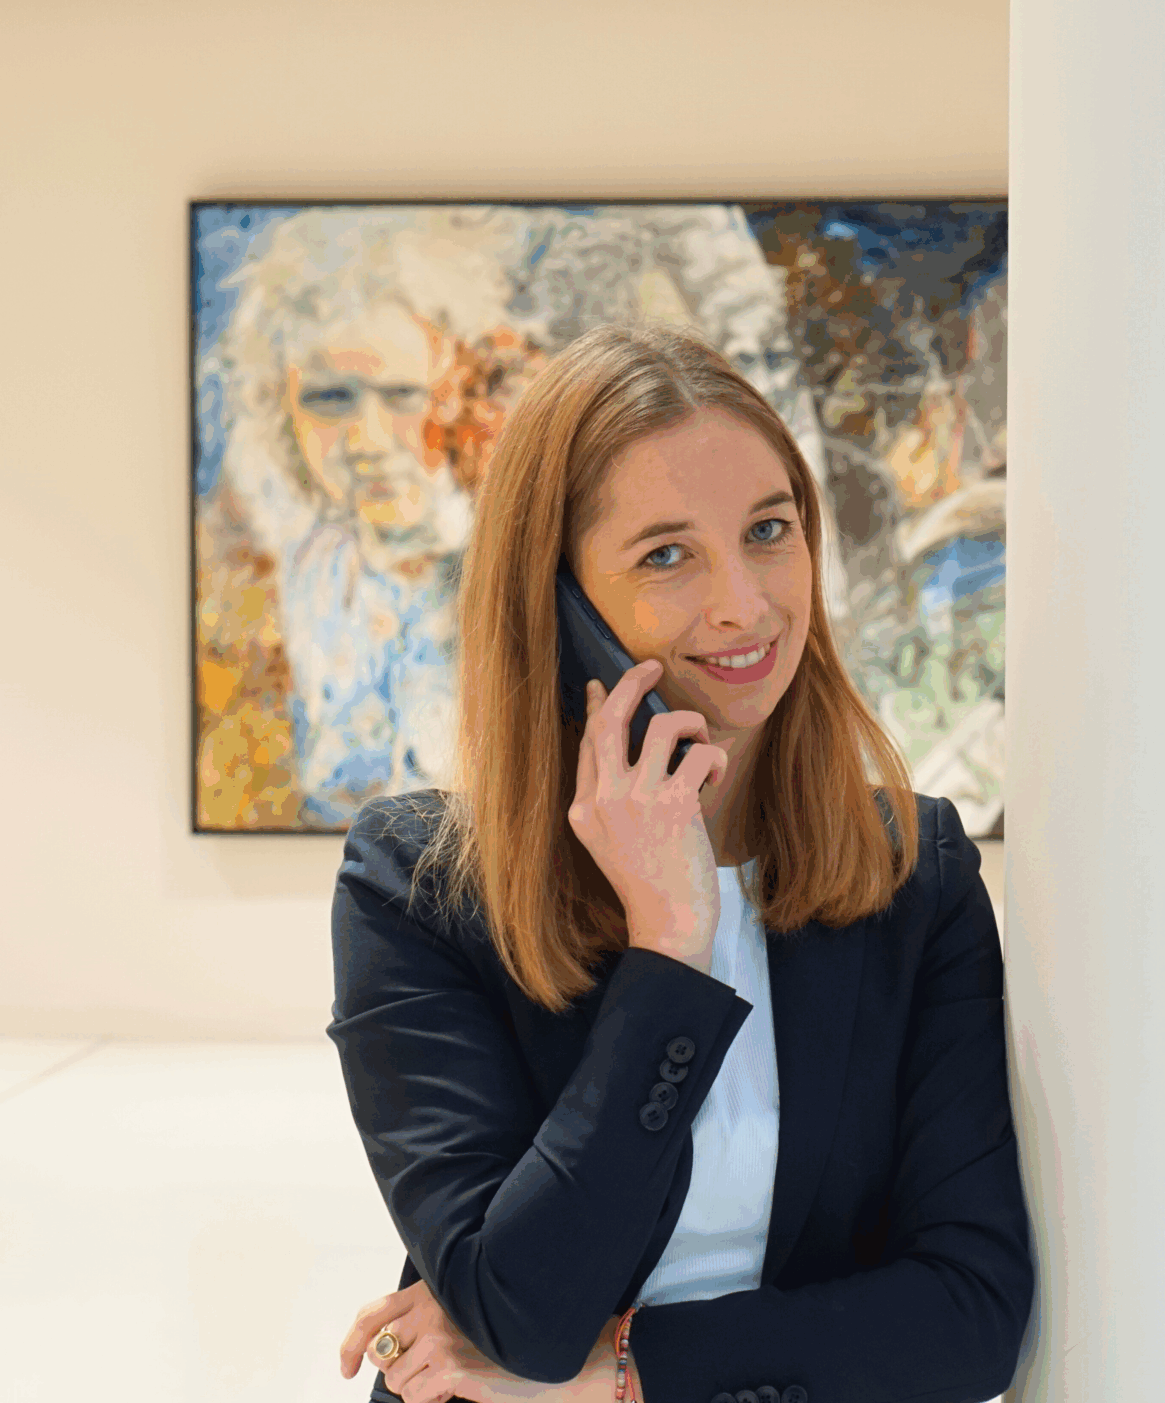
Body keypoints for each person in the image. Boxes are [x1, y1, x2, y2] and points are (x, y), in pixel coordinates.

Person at [324, 322, 1033, 1403]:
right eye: (665, 554)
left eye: (768, 530)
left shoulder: (915, 875)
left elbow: (970, 1314)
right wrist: (670, 943)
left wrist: (620, 1372)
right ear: (557, 606)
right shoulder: (416, 889)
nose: (743, 603)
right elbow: (521, 1312)